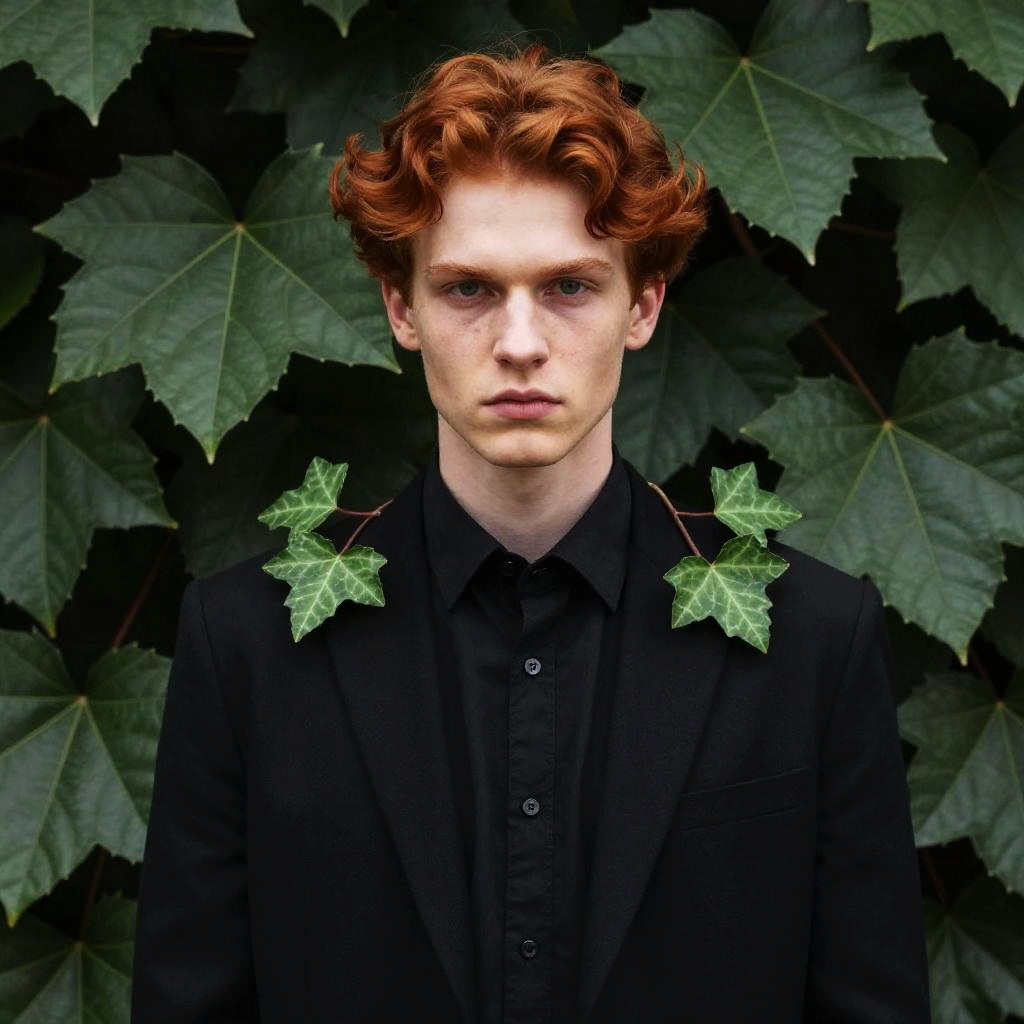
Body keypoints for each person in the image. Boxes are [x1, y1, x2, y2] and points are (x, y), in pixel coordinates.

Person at [132, 45, 929, 1023]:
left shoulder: (814, 641)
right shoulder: (243, 645)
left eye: (569, 288)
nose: (518, 344)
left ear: (643, 305)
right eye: (468, 289)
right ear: (401, 307)